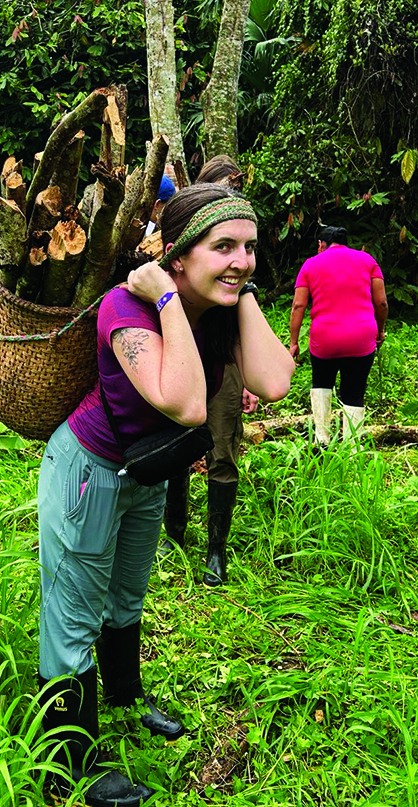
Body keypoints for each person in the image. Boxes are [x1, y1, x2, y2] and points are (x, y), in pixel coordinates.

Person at [37, 184, 295, 807]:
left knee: (126, 595)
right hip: (88, 471)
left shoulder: (223, 305)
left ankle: (124, 699)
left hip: (148, 472)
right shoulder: (125, 308)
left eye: (250, 248)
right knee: (75, 613)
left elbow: (275, 380)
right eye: (223, 247)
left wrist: (242, 291)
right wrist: (171, 300)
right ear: (178, 256)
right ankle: (65, 764)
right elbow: (183, 402)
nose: (241, 260)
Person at [162, 154, 258, 588]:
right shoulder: (191, 239)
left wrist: (245, 376)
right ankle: (174, 532)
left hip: (224, 359)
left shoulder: (239, 249)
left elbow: (247, 326)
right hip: (183, 356)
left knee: (223, 451)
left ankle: (216, 549)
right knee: (177, 449)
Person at [288, 225, 388, 445]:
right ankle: (352, 446)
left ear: (321, 245)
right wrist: (380, 330)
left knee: (322, 383)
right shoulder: (367, 261)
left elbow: (298, 305)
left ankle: (321, 440)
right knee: (354, 391)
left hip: (324, 338)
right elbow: (381, 302)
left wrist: (293, 342)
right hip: (361, 336)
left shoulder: (310, 264)